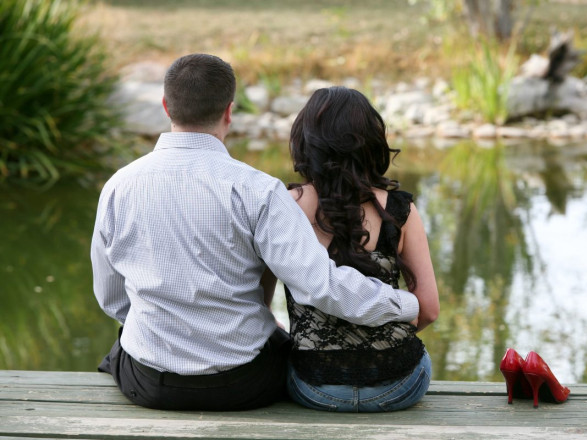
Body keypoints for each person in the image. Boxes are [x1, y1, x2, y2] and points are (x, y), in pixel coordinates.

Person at [90, 54, 420, 411]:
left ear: (166, 106)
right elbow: (320, 286)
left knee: (123, 344)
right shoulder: (258, 190)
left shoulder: (118, 186)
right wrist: (407, 303)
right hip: (242, 383)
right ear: (229, 111)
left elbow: (111, 298)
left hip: (149, 381)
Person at [271, 86, 440, 412]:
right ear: (370, 141)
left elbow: (260, 310)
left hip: (314, 386)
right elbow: (429, 309)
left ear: (306, 141)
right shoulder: (399, 210)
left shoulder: (286, 206)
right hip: (400, 383)